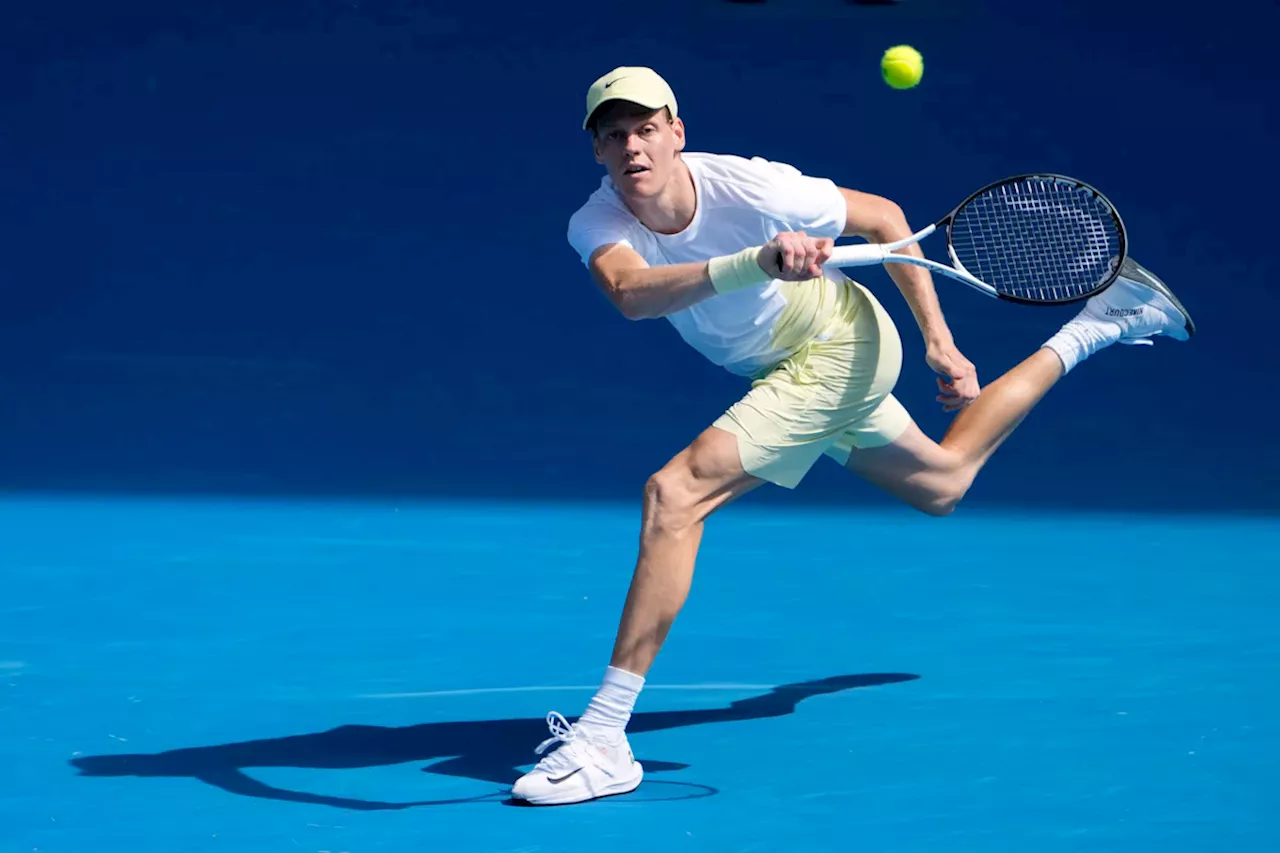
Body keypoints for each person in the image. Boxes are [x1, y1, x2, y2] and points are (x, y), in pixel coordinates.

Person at [509, 66, 1195, 805]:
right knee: (943, 482)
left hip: (838, 346)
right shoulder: (598, 220)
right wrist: (759, 261)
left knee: (675, 496)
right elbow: (630, 295)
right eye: (614, 135)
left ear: (677, 133)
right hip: (786, 368)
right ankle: (1104, 321)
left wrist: (940, 339)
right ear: (599, 152)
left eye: (646, 128)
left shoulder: (756, 189)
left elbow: (886, 217)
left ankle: (606, 737)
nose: (632, 147)